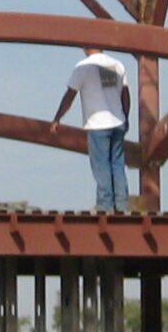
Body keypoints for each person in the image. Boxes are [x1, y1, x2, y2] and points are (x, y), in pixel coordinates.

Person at [52, 48, 132, 212]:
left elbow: (70, 95)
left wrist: (57, 118)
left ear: (85, 48)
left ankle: (105, 204)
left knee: (101, 165)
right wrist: (125, 116)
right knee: (117, 164)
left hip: (98, 123)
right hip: (117, 121)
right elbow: (124, 94)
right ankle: (122, 203)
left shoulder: (83, 67)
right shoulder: (114, 64)